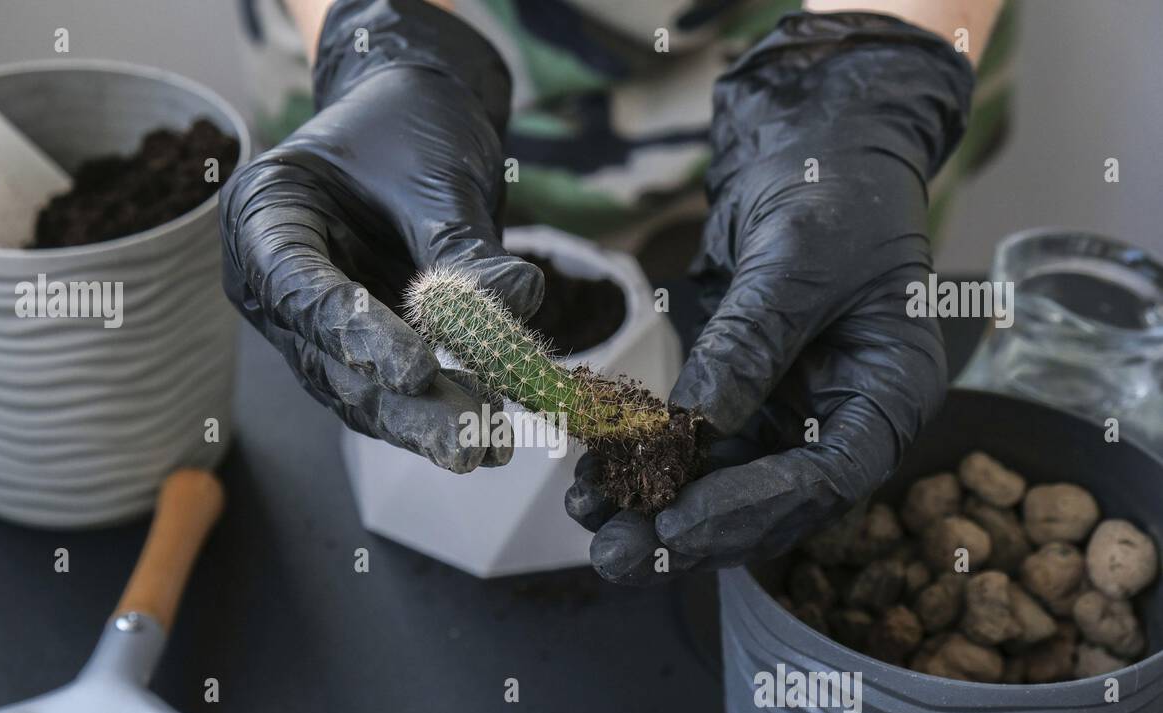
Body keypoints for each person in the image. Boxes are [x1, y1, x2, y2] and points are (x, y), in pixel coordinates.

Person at [220, 0, 1006, 584]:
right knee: (387, 296)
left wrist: (865, 86)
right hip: (431, 66)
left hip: (827, 35)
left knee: (807, 304)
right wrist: (382, 39)